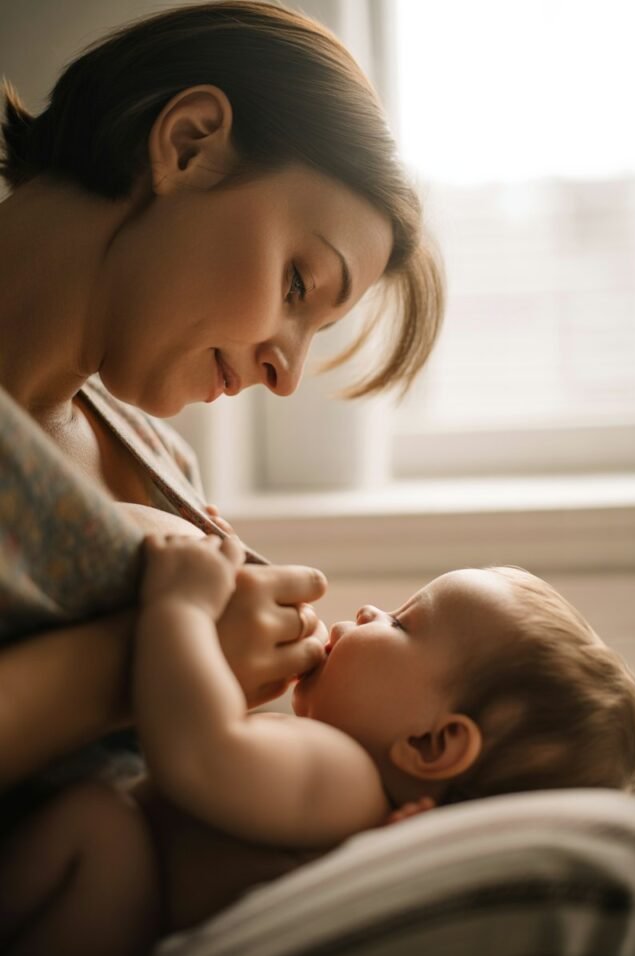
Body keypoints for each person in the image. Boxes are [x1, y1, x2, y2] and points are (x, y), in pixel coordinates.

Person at [0, 3, 442, 804]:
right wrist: (144, 664)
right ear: (188, 142)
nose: (286, 375)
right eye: (298, 285)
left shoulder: (167, 472)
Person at [2, 529, 635, 956]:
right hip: (105, 933)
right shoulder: (341, 783)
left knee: (102, 823)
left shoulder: (348, 782)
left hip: (96, 943)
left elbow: (197, 753)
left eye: (401, 622)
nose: (366, 611)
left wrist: (182, 606)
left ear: (433, 743)